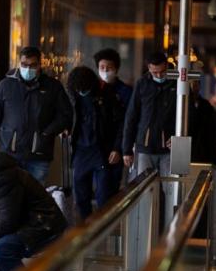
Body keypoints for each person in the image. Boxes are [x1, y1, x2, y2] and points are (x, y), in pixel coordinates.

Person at [0, 46, 73, 185]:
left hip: (39, 156)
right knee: (10, 198)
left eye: (32, 65)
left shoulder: (52, 87)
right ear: (19, 63)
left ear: (39, 65)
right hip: (9, 155)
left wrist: (48, 132)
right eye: (24, 65)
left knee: (34, 200)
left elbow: (66, 115)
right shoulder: (6, 85)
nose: (28, 69)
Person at [66, 66, 124, 220]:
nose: (82, 92)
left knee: (104, 194)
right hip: (80, 150)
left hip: (102, 150)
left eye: (84, 89)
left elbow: (120, 123)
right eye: (79, 90)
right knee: (80, 194)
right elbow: (66, 116)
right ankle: (85, 228)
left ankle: (103, 227)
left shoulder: (107, 94)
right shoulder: (72, 95)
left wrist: (117, 148)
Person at [122, 51, 177, 208]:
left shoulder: (176, 82)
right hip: (144, 146)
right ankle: (146, 229)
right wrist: (127, 149)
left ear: (167, 66)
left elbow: (188, 115)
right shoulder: (142, 83)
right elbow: (131, 116)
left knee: (171, 189)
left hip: (168, 148)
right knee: (144, 189)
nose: (159, 75)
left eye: (162, 71)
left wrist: (178, 138)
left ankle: (169, 226)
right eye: (154, 72)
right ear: (148, 68)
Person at [95, 48, 133, 188]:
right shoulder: (93, 91)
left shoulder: (125, 92)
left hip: (116, 146)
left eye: (109, 68)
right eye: (102, 67)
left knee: (111, 186)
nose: (105, 71)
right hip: (96, 148)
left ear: (116, 69)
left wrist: (119, 148)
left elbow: (128, 122)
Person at [188, 80, 216, 167]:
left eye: (195, 85)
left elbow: (212, 132)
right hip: (187, 150)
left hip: (203, 151)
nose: (193, 88)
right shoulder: (182, 105)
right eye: (191, 85)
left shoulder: (206, 106)